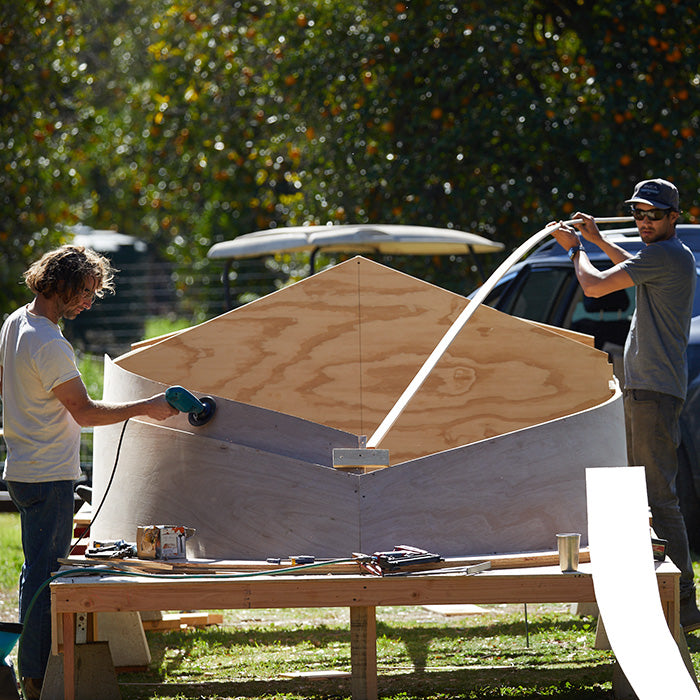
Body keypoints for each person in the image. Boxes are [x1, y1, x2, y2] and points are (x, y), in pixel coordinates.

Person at [0, 245, 179, 699]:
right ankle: (37, 680)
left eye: (93, 293)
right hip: (48, 476)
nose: (88, 302)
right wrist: (150, 408)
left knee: (35, 573)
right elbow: (84, 412)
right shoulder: (50, 343)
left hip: (22, 469)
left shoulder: (15, 322)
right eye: (84, 292)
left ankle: (30, 670)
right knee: (46, 582)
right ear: (59, 284)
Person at [551, 178, 700, 631]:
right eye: (638, 214)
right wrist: (597, 240)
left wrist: (574, 250)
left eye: (654, 215)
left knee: (660, 497)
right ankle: (667, 597)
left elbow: (595, 288)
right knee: (649, 496)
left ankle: (686, 606)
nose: (644, 222)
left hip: (654, 391)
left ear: (675, 217)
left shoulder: (666, 253)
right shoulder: (666, 257)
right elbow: (632, 265)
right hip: (648, 387)